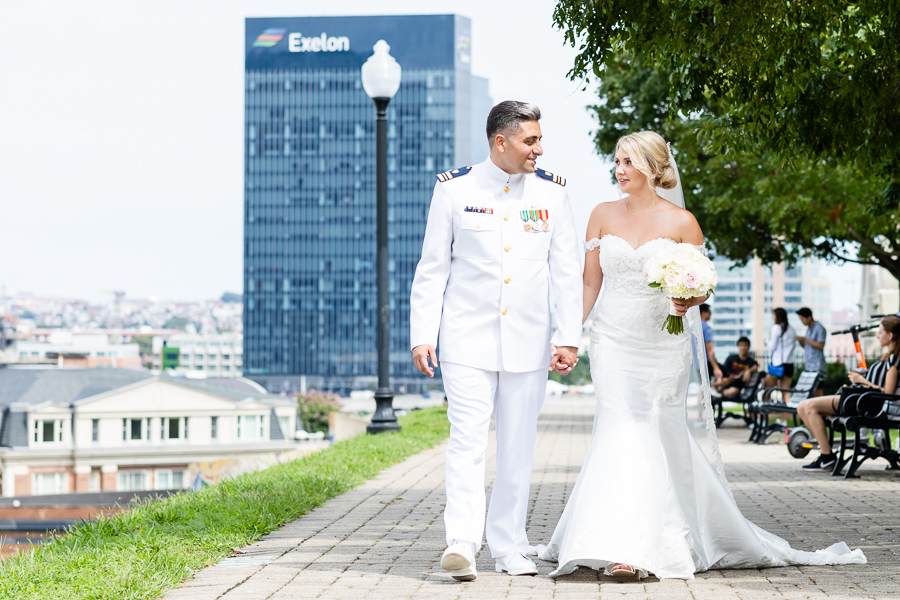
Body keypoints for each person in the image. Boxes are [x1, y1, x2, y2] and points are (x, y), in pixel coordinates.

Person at [528, 130, 866, 579]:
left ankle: (647, 546)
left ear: (652, 167)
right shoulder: (601, 214)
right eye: (617, 161)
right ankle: (607, 538)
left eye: (628, 161)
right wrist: (568, 336)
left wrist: (689, 299)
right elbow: (590, 282)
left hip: (662, 342)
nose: (619, 169)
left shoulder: (682, 222)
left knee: (656, 430)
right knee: (619, 427)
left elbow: (700, 282)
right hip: (611, 337)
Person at [409, 101, 582, 581]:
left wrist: (568, 337)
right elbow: (432, 267)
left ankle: (509, 545)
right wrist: (422, 334)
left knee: (517, 447)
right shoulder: (454, 189)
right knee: (465, 441)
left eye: (540, 140)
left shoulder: (553, 194)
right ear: (500, 142)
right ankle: (462, 542)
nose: (539, 149)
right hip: (465, 340)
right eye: (531, 140)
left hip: (528, 343)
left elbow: (565, 272)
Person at [796, 316, 900, 469]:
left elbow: (887, 393)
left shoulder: (894, 362)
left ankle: (827, 456)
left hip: (869, 405)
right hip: (864, 399)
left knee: (810, 406)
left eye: (880, 333)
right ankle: (826, 453)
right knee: (801, 407)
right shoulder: (888, 357)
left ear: (890, 336)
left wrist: (861, 381)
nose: (878, 336)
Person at [765, 307, 797, 407]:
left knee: (767, 389)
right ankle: (785, 419)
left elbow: (772, 346)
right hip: (789, 365)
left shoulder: (776, 328)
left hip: (777, 366)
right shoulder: (791, 329)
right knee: (786, 393)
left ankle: (764, 415)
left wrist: (766, 340)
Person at [796, 307, 827, 396]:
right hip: (809, 366)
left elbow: (820, 346)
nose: (802, 321)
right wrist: (801, 341)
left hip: (817, 366)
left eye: (802, 319)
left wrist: (805, 339)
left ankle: (822, 409)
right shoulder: (808, 329)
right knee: (811, 391)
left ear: (809, 317)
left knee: (818, 390)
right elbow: (807, 347)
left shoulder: (819, 328)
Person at [699, 304, 723, 380]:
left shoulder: (691, 327)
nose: (710, 314)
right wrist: (716, 368)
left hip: (696, 364)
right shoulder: (706, 328)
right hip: (706, 364)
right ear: (703, 313)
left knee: (701, 386)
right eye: (709, 312)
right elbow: (709, 349)